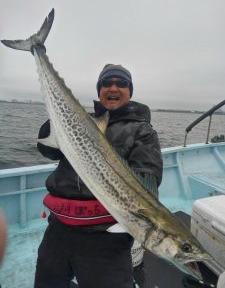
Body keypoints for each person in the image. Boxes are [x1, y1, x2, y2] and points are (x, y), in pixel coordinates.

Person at [34, 64, 163, 288]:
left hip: (106, 238)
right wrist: (57, 120)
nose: (113, 87)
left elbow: (147, 178)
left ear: (130, 91)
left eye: (121, 84)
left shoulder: (142, 131)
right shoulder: (83, 120)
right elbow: (48, 151)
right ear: (99, 90)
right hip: (58, 229)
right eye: (107, 83)